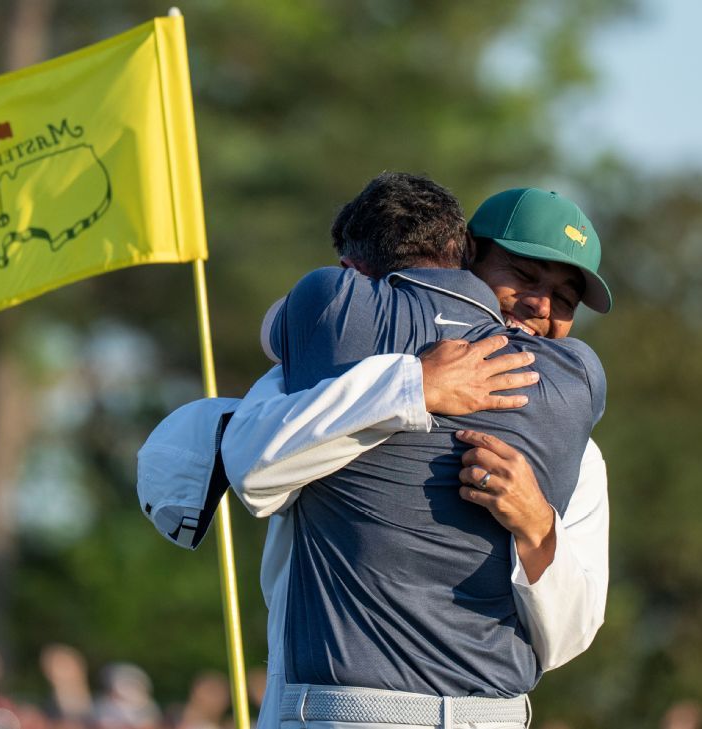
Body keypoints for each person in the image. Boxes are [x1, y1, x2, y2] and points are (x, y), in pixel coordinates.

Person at [230, 174, 610, 729]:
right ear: (467, 260)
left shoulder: (581, 452)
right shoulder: (333, 369)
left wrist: (537, 527)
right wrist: (410, 387)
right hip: (332, 707)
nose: (539, 305)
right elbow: (252, 466)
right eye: (523, 276)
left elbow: (569, 639)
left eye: (565, 299)